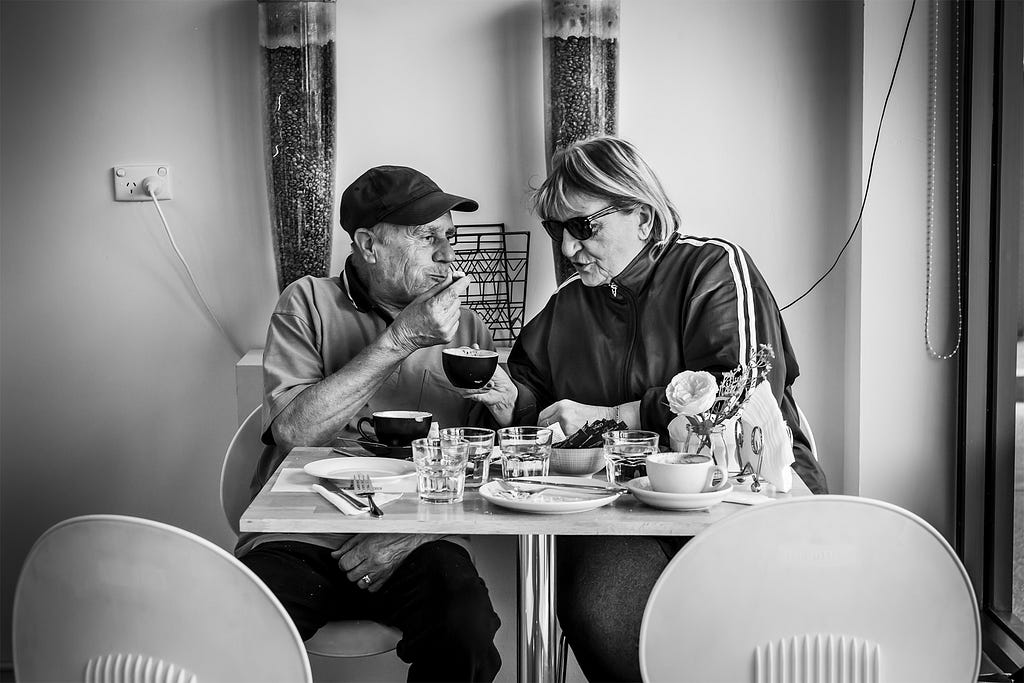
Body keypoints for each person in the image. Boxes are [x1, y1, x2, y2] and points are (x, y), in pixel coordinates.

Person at [496, 136, 828, 681]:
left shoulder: (712, 266)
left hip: (742, 494)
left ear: (644, 218)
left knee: (735, 629)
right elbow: (532, 394)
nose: (566, 249)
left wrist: (611, 416)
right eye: (558, 231)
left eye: (584, 227)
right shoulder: (567, 307)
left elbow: (740, 393)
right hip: (622, 508)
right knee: (598, 608)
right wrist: (508, 399)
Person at [235, 165, 513, 682]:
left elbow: (482, 467)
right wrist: (401, 339)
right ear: (368, 244)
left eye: (449, 237)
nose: (448, 255)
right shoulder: (307, 303)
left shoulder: (468, 327)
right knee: (235, 633)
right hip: (302, 534)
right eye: (427, 237)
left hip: (420, 540)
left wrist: (505, 410)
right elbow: (295, 433)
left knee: (467, 630)